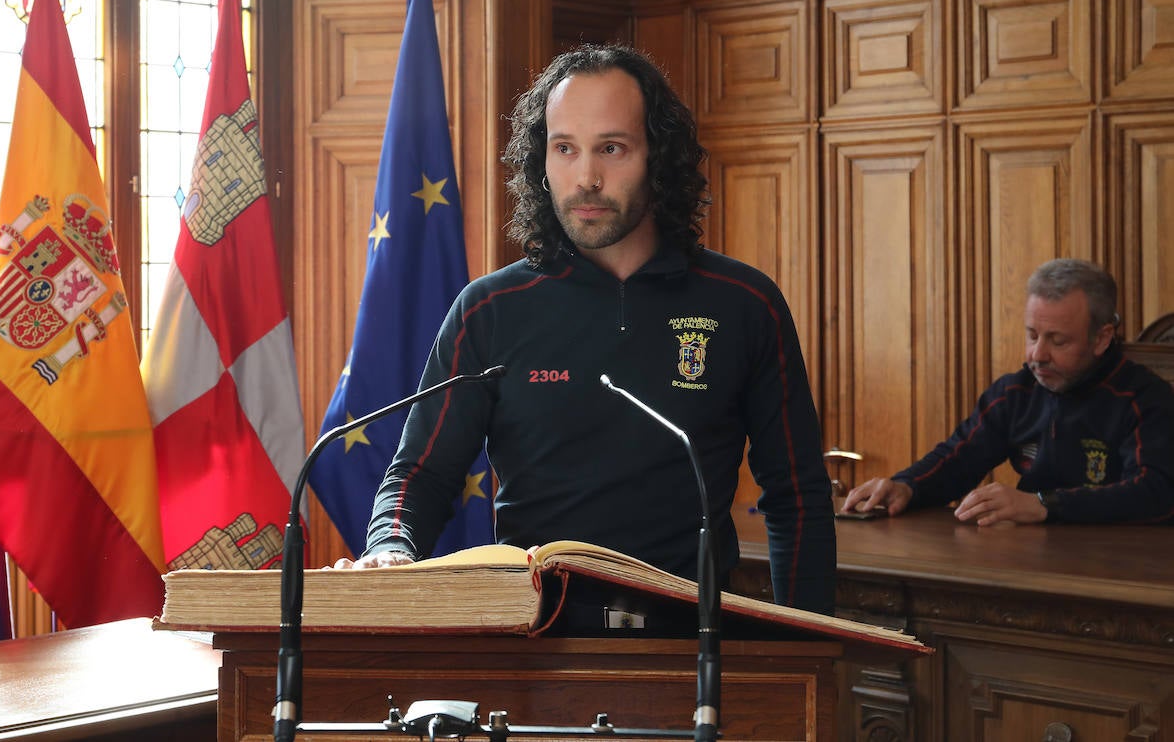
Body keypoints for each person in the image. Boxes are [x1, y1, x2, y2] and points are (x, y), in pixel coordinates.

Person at [338, 43, 837, 615]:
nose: (587, 177)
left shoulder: (745, 303)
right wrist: (390, 548)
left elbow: (797, 498)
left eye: (612, 148)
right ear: (541, 163)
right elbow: (419, 475)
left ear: (659, 156)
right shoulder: (490, 309)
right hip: (532, 638)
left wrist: (810, 646)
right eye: (565, 149)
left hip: (693, 648)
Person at [842, 259, 1174, 526]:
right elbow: (957, 458)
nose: (1037, 355)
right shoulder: (1017, 391)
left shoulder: (1147, 399)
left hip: (1120, 570)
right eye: (1032, 335)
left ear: (1102, 338)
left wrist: (1044, 505)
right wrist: (906, 486)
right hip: (1028, 562)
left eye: (1058, 341)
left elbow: (1156, 492)